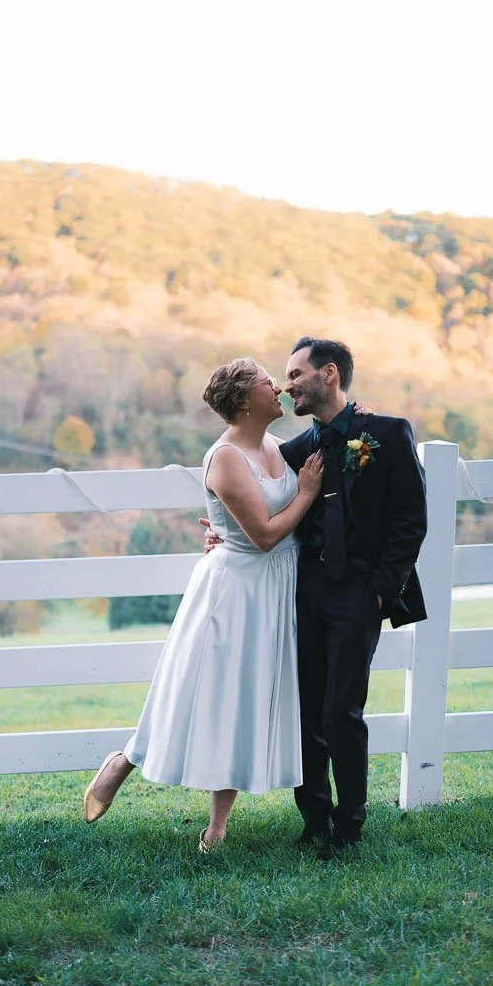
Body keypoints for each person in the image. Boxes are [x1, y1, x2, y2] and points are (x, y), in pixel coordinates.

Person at [83, 357, 324, 851]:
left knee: (243, 701)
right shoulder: (226, 457)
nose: (275, 385)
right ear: (242, 400)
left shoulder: (278, 446)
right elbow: (261, 536)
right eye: (264, 381)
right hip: (234, 591)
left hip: (275, 590)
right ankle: (125, 761)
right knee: (200, 693)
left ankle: (217, 825)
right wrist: (307, 492)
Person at [205, 337, 427, 856]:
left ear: (329, 374)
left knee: (341, 712)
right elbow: (253, 495)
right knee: (305, 712)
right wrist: (218, 531)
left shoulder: (388, 434)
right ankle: (314, 821)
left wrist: (380, 591)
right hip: (302, 593)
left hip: (360, 594)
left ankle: (350, 825)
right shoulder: (294, 451)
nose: (286, 385)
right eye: (281, 377)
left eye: (295, 374)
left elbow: (411, 519)